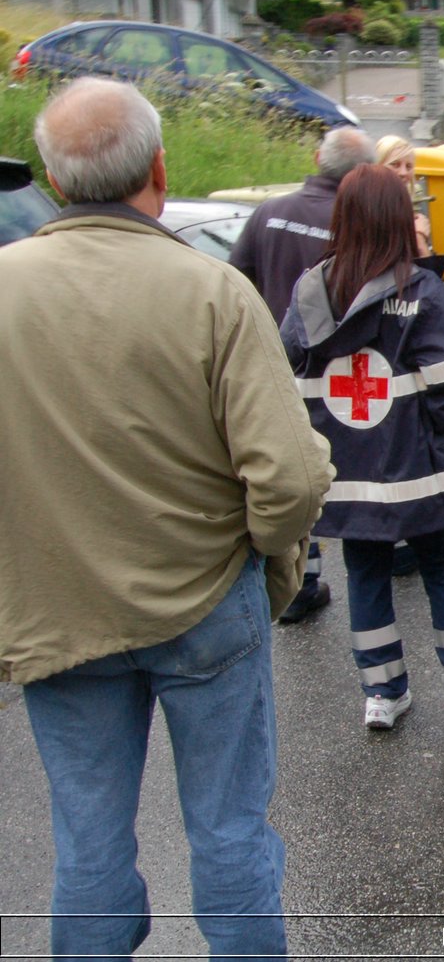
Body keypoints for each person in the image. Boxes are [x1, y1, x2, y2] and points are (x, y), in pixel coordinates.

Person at [0, 77, 331, 956]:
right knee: (228, 830)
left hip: (58, 608)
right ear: (158, 166)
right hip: (205, 600)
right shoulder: (213, 293)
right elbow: (292, 478)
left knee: (88, 838)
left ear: (54, 179)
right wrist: (268, 561)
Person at [280, 164, 444, 730]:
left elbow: (287, 371)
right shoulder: (420, 290)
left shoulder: (311, 291)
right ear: (394, 218)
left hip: (347, 471)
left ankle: (382, 692)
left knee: (365, 575)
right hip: (422, 469)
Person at [233, 123, 376, 622]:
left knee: (288, 467)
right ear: (363, 174)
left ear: (318, 158)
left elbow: (238, 278)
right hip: (334, 373)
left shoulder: (270, 213)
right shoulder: (351, 224)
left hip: (271, 362)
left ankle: (299, 578)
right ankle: (360, 553)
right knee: (323, 468)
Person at [374, 133, 434, 261]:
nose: (403, 173)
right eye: (395, 164)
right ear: (377, 166)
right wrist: (418, 239)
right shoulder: (369, 210)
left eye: (409, 166)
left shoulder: (411, 208)